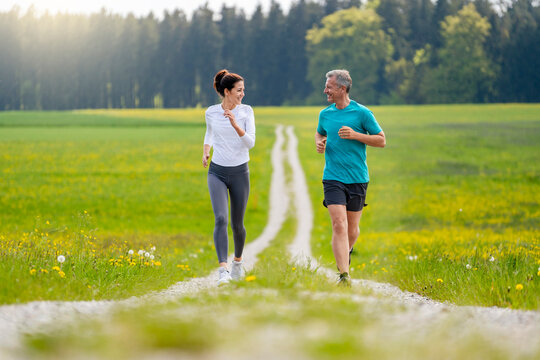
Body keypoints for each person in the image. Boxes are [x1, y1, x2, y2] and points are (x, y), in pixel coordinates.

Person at [315, 69, 386, 287]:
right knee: (339, 224)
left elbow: (381, 140)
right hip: (333, 176)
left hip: (357, 177)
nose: (325, 90)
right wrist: (319, 141)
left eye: (329, 86)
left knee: (352, 229)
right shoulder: (325, 114)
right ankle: (344, 276)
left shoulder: (362, 113)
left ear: (342, 89)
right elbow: (320, 132)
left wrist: (356, 135)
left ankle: (347, 252)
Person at [202, 69, 255, 285]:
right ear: (227, 91)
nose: (243, 93)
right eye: (239, 90)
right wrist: (206, 149)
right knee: (221, 218)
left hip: (240, 172)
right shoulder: (211, 112)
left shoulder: (246, 112)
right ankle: (222, 269)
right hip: (217, 172)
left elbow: (250, 142)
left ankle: (237, 263)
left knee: (237, 224)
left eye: (243, 90)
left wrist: (235, 124)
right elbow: (210, 133)